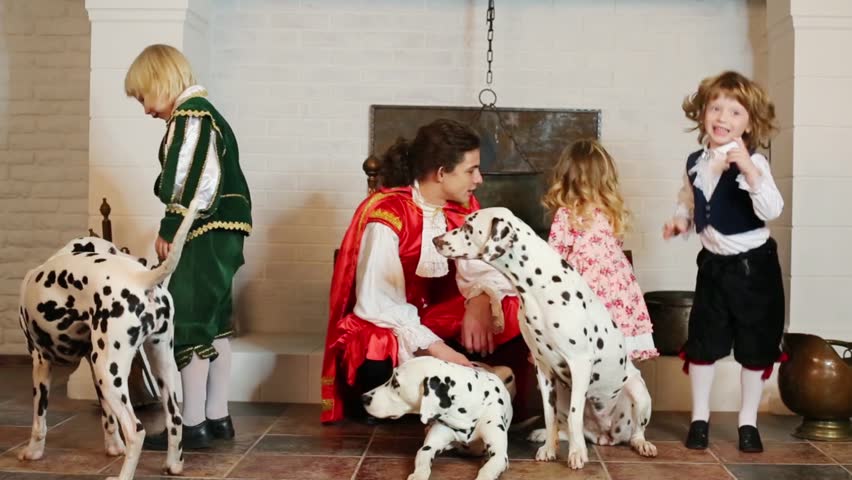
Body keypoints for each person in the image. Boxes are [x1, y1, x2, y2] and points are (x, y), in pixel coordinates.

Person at [320, 119, 535, 424]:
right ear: (442, 173)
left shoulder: (463, 207)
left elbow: (491, 269)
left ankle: (472, 389)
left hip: (434, 316)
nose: (479, 179)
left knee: (513, 305)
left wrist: (480, 300)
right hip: (390, 320)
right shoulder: (388, 214)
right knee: (375, 341)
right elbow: (376, 303)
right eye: (471, 170)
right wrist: (437, 349)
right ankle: (445, 386)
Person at [124, 44, 252, 449]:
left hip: (204, 230)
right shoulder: (207, 116)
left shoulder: (191, 116)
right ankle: (217, 417)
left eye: (144, 97)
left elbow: (193, 181)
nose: (145, 110)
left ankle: (190, 424)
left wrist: (170, 225)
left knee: (191, 322)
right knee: (216, 325)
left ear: (160, 83)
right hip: (224, 231)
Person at [663, 71, 784, 453]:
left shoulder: (756, 164)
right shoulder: (695, 160)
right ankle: (700, 418)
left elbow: (772, 208)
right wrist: (681, 220)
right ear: (703, 114)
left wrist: (748, 169)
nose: (722, 117)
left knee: (754, 345)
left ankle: (748, 421)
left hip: (754, 269)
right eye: (716, 108)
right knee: (703, 342)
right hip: (713, 267)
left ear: (750, 124)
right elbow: (689, 197)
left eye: (735, 112)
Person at [543, 139, 658, 361]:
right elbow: (615, 247)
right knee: (615, 359)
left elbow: (554, 257)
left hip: (586, 291)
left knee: (586, 354)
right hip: (617, 290)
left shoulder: (567, 213)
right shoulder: (610, 211)